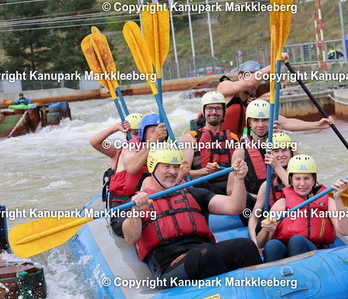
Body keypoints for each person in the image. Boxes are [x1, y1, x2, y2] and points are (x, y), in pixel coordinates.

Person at [122, 148, 262, 287]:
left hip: (202, 251)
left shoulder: (193, 193)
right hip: (170, 266)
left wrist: (239, 179)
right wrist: (136, 211)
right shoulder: (137, 202)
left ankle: (257, 292)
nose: (173, 171)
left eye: (176, 167)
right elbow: (130, 237)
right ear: (152, 167)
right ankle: (227, 294)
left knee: (245, 246)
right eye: (167, 166)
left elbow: (234, 207)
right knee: (204, 254)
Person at [255, 155, 348, 262]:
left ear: (313, 180)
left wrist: (337, 197)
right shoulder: (281, 204)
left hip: (317, 253)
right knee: (272, 245)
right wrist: (265, 230)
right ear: (291, 180)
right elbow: (260, 243)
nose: (302, 184)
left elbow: (345, 231)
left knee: (297, 241)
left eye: (307, 178)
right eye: (297, 179)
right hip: (287, 253)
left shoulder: (328, 202)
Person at [96, 113, 169, 236]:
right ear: (142, 133)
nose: (159, 134)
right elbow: (132, 168)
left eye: (161, 131)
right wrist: (115, 128)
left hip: (149, 201)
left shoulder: (166, 150)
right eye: (153, 131)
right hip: (125, 203)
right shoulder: (128, 147)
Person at [182, 91, 241, 195]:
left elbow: (240, 170)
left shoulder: (233, 138)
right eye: (209, 108)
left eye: (218, 108)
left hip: (229, 186)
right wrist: (204, 171)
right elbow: (183, 173)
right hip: (203, 188)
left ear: (224, 112)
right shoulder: (191, 137)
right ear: (203, 111)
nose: (214, 112)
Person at [247, 132, 295, 246]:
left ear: (291, 152)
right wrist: (254, 240)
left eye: (284, 150)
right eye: (276, 151)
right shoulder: (267, 185)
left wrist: (276, 166)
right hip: (277, 231)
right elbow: (254, 216)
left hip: (297, 227)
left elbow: (295, 191)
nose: (281, 155)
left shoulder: (303, 178)